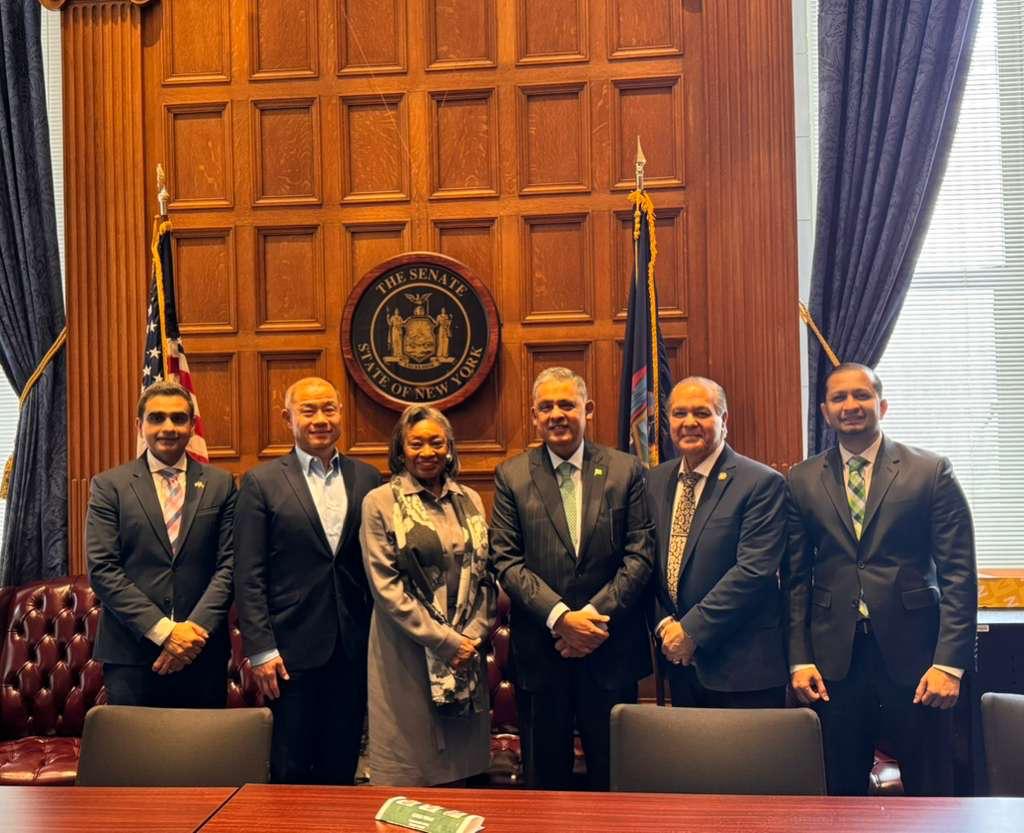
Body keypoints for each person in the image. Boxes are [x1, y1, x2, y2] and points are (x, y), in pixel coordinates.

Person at [786, 363, 977, 796]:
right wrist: (799, 660)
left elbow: (959, 574)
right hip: (834, 665)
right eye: (838, 398)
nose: (850, 405)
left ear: (882, 405)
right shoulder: (801, 479)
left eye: (861, 395)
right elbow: (795, 578)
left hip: (918, 662)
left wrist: (949, 665)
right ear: (825, 411)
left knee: (931, 794)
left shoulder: (930, 471)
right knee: (839, 793)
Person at [489, 367, 654, 790]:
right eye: (546, 407)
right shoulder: (512, 476)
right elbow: (505, 560)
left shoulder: (626, 470)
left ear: (588, 409)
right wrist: (562, 618)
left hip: (610, 650)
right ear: (534, 415)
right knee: (545, 785)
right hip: (541, 656)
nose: (557, 414)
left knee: (617, 782)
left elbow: (640, 555)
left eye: (567, 404)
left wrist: (590, 620)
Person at [234, 377, 381, 784]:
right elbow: (248, 573)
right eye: (308, 410)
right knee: (291, 768)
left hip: (353, 647)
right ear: (288, 418)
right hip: (289, 652)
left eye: (329, 409)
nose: (320, 419)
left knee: (342, 765)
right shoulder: (261, 482)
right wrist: (261, 649)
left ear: (341, 414)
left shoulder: (368, 478)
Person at [359, 405, 496, 786]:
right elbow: (386, 587)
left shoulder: (470, 498)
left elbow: (486, 574)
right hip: (405, 650)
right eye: (416, 443)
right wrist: (445, 641)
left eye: (436, 442)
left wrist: (472, 637)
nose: (427, 452)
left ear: (449, 448)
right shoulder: (379, 502)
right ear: (400, 450)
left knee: (462, 771)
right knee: (411, 769)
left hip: (466, 651)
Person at [86, 380, 235, 707]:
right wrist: (165, 632)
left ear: (192, 426)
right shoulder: (109, 486)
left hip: (202, 652)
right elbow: (103, 569)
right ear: (139, 425)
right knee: (134, 743)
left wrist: (191, 634)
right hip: (131, 653)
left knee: (204, 742)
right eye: (157, 418)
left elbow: (229, 566)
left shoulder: (221, 484)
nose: (168, 427)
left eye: (178, 418)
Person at [647, 377, 788, 708]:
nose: (689, 423)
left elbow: (753, 571)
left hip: (742, 668)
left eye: (702, 413)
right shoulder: (654, 480)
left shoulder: (761, 483)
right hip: (678, 662)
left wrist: (691, 631)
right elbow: (646, 563)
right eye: (679, 413)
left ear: (724, 420)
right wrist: (665, 624)